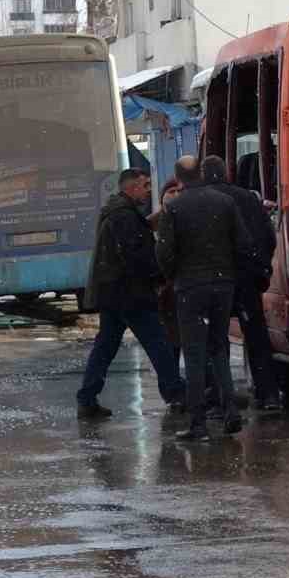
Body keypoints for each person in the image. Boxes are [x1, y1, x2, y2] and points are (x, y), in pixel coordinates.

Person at [78, 169, 186, 420]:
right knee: (159, 344)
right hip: (130, 294)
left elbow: (131, 244)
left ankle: (87, 398)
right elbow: (138, 257)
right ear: (131, 188)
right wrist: (160, 275)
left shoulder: (119, 213)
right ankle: (176, 393)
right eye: (145, 185)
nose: (149, 189)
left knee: (105, 347)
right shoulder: (125, 217)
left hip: (113, 294)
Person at [155, 155, 250, 441]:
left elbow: (164, 253)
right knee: (219, 348)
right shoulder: (224, 202)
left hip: (190, 287)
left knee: (194, 354)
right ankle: (230, 411)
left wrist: (175, 275)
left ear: (179, 178)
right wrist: (228, 270)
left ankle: (198, 423)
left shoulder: (174, 208)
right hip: (223, 284)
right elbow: (244, 243)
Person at [201, 155, 280, 412]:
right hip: (245, 279)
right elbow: (267, 237)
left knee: (216, 340)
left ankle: (220, 398)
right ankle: (269, 394)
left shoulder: (199, 201)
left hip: (213, 281)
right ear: (226, 173)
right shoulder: (247, 199)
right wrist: (261, 269)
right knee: (256, 337)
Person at [150, 178, 184, 374]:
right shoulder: (151, 223)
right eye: (171, 191)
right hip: (165, 293)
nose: (175, 196)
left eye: (179, 191)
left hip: (184, 288)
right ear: (162, 197)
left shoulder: (189, 219)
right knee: (170, 343)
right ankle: (174, 386)